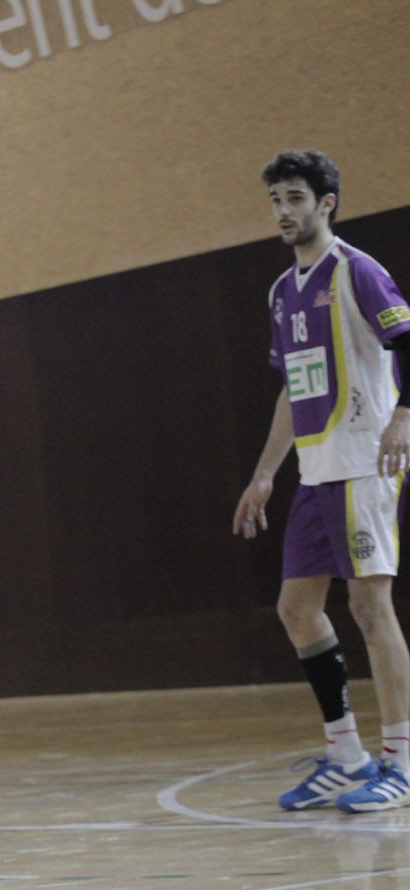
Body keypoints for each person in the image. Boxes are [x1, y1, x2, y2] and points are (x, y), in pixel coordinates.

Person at [233, 149, 410, 814]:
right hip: (314, 469)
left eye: (295, 198)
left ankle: (401, 760)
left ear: (326, 202)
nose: (283, 211)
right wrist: (264, 474)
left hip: (367, 461)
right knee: (297, 608)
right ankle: (346, 754)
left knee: (370, 608)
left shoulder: (357, 271)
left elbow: (406, 340)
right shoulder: (282, 293)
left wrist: (404, 419)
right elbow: (292, 388)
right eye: (276, 199)